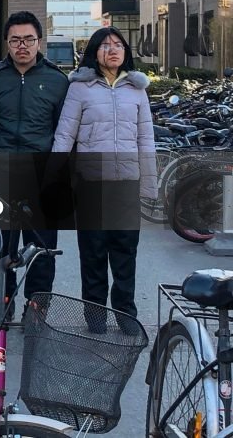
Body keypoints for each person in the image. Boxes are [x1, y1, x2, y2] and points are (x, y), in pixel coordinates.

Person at [51, 27, 155, 328]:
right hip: (91, 185)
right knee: (94, 252)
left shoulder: (137, 89)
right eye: (105, 45)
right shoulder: (80, 88)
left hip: (126, 184)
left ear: (126, 52)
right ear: (94, 51)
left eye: (118, 45)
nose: (113, 50)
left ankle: (126, 315)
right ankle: (94, 315)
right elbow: (64, 136)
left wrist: (148, 184)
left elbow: (146, 139)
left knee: (125, 253)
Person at [0, 11, 69, 314]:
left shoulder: (58, 81)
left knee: (42, 246)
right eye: (15, 40)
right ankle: (3, 303)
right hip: (1, 172)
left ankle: (37, 305)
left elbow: (64, 130)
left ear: (39, 41)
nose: (22, 46)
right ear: (7, 42)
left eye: (29, 39)